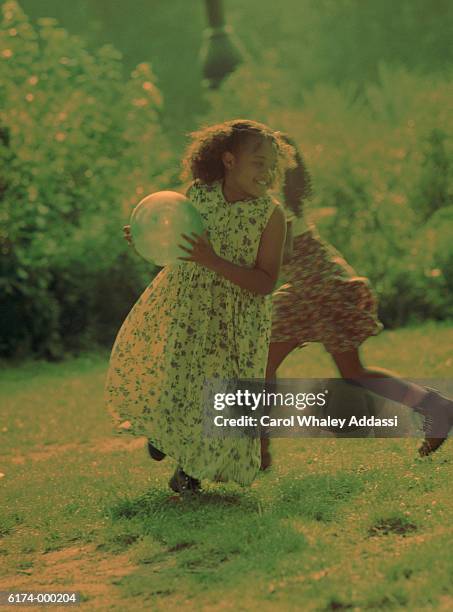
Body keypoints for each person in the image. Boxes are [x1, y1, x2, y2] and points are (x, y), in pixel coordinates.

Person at [106, 119, 294, 493]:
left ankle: (187, 472)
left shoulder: (270, 216)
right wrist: (148, 237)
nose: (267, 172)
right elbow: (176, 240)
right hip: (190, 307)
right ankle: (164, 437)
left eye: (272, 165)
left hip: (237, 322)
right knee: (180, 382)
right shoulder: (199, 196)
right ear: (228, 160)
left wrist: (214, 261)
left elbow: (264, 282)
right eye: (258, 162)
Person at [261, 134, 453, 469]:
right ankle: (432, 406)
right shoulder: (273, 200)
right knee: (279, 366)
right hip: (310, 289)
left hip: (319, 290)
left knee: (340, 370)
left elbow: (284, 252)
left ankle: (257, 450)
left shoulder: (274, 203)